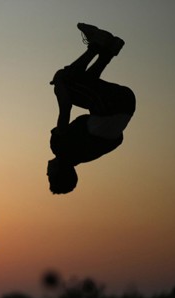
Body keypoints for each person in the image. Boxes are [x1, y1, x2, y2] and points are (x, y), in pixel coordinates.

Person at [47, 23, 136, 194]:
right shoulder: (60, 147)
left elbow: (117, 140)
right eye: (49, 176)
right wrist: (58, 84)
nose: (47, 172)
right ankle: (97, 45)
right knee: (66, 79)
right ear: (57, 172)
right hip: (113, 105)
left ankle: (109, 51)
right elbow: (65, 107)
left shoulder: (84, 155)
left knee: (82, 86)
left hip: (124, 106)